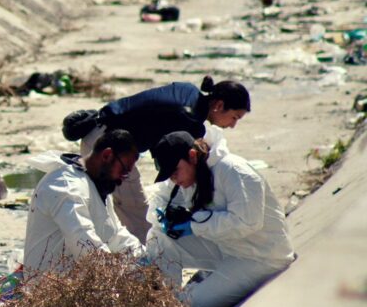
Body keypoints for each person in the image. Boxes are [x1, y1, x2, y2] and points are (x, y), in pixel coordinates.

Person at [61, 76, 251, 243]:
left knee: (108, 205)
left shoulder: (189, 92)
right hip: (109, 148)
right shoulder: (191, 119)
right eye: (235, 117)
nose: (233, 125)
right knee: (136, 210)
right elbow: (172, 157)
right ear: (218, 106)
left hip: (98, 133)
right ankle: (148, 265)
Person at [146, 131, 295, 307]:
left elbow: (248, 221)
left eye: (175, 172)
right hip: (228, 248)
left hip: (261, 256)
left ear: (192, 156)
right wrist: (164, 215)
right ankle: (174, 296)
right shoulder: (192, 175)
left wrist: (194, 225)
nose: (174, 179)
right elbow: (161, 194)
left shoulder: (234, 170)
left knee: (194, 304)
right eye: (169, 175)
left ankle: (192, 296)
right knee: (158, 240)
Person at [23, 129, 144, 275]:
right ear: (107, 156)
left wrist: (144, 258)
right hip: (53, 289)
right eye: (123, 171)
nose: (120, 180)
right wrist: (123, 274)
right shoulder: (66, 186)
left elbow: (114, 234)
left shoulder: (96, 183)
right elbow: (85, 245)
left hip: (80, 282)